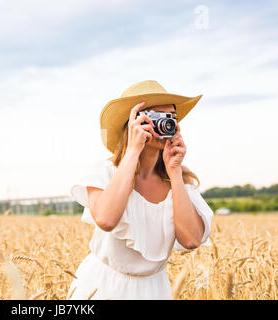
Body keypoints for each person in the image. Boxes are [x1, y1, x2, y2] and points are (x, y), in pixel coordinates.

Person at [67, 80, 214, 300]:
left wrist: (174, 172)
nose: (166, 124)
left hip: (154, 292)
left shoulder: (181, 182)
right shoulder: (105, 172)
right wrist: (133, 151)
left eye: (171, 118)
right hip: (101, 287)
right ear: (133, 123)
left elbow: (191, 240)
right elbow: (106, 220)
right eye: (156, 117)